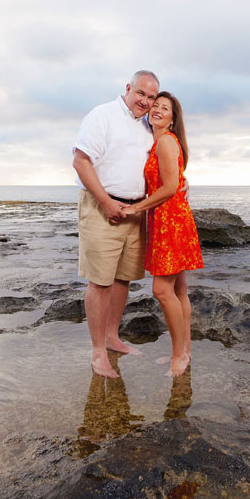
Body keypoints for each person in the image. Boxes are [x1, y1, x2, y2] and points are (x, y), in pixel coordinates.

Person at [73, 70, 159, 379]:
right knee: (100, 280)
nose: (146, 102)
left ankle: (112, 337)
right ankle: (98, 353)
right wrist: (107, 203)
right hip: (101, 206)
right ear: (128, 88)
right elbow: (81, 161)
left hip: (136, 211)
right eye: (141, 94)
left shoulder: (148, 126)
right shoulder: (103, 116)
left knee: (123, 278)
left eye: (151, 98)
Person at [122, 92, 203, 377]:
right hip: (167, 218)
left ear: (172, 118)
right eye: (155, 105)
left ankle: (180, 355)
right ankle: (183, 351)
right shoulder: (156, 141)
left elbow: (169, 187)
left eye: (164, 108)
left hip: (171, 219)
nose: (156, 110)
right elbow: (174, 180)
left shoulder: (167, 141)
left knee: (161, 290)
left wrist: (137, 209)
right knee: (179, 290)